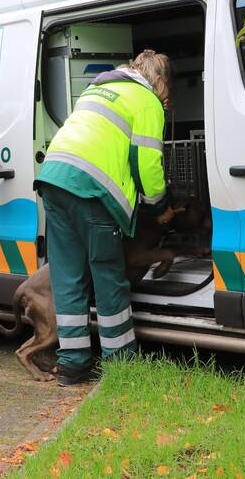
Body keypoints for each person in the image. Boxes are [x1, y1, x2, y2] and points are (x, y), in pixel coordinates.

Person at [34, 50, 174, 386]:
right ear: (159, 81)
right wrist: (160, 207)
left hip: (53, 179)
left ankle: (72, 366)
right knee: (108, 275)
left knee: (67, 277)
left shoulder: (97, 88)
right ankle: (121, 364)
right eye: (167, 95)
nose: (166, 102)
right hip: (91, 190)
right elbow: (147, 164)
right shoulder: (146, 100)